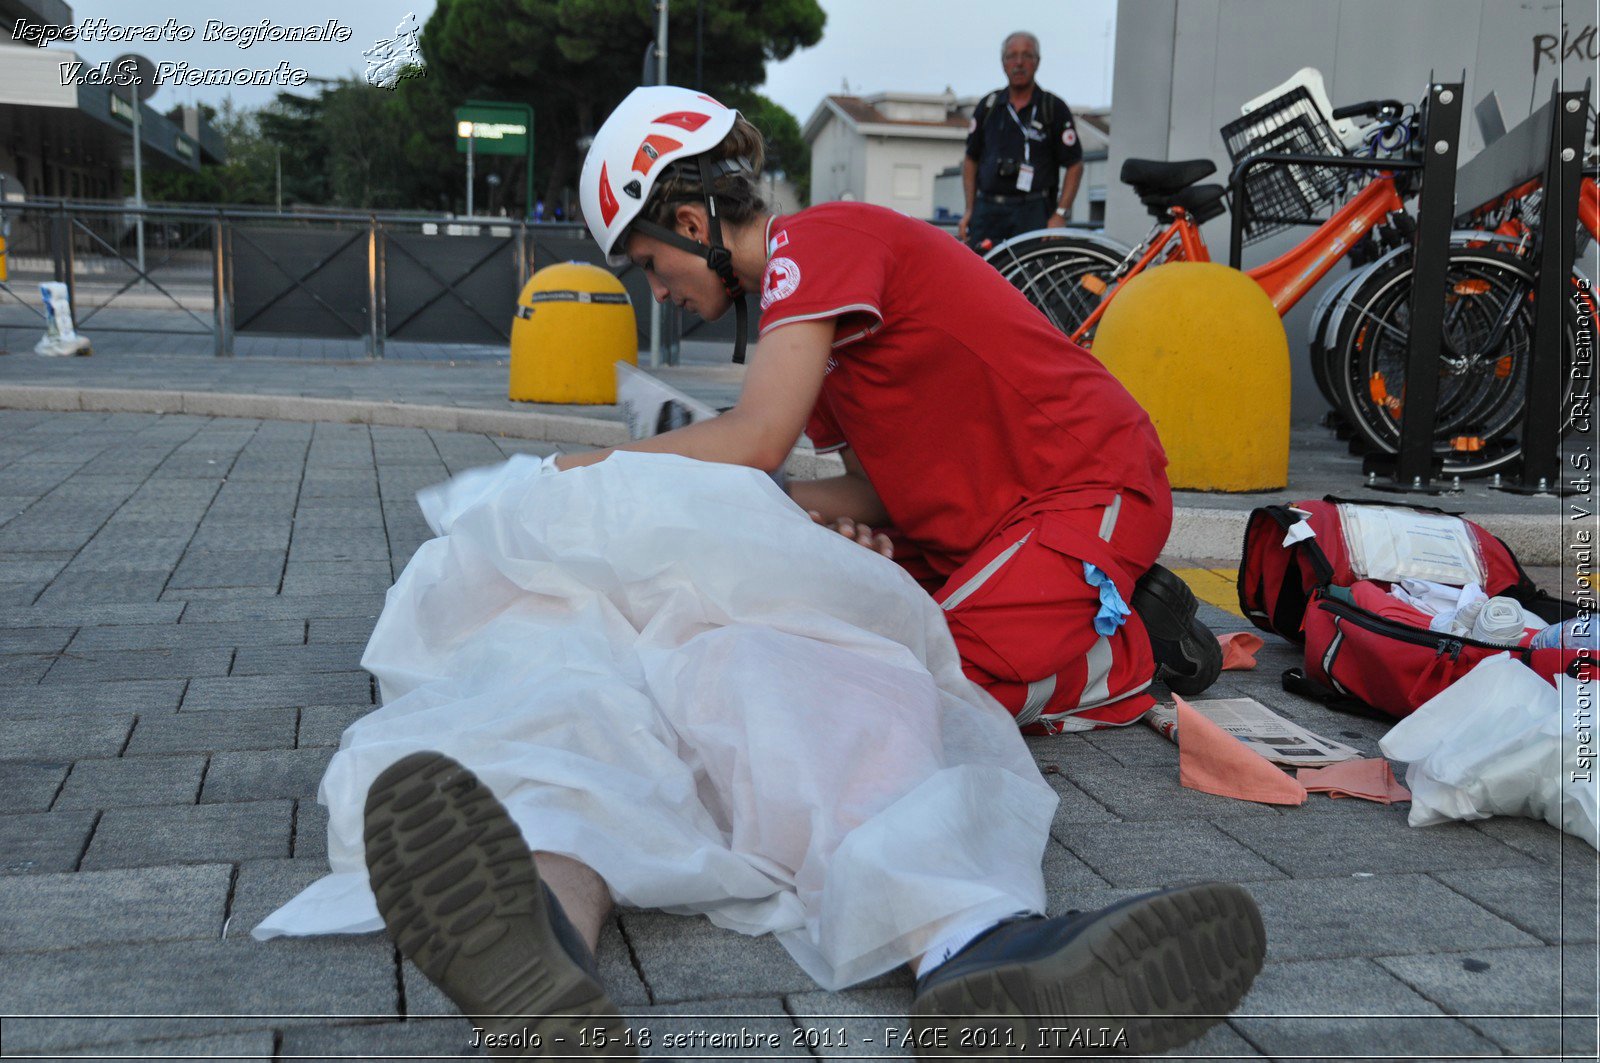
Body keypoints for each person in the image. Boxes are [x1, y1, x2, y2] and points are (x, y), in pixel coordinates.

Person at [362, 86, 1254, 1059]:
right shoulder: (815, 324)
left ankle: (1123, 649)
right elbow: (860, 485)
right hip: (974, 528)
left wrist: (604, 470)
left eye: (648, 264)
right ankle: (565, 898)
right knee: (782, 642)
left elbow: (755, 440)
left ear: (692, 222)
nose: (655, 293)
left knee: (918, 684)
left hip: (1082, 492)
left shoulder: (820, 244)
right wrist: (775, 533)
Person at [958, 31, 1086, 250]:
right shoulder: (988, 106)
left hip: (1034, 212)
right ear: (1003, 63)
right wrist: (970, 209)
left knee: (1028, 281)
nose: (1019, 63)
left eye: (1026, 56)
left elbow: (1075, 164)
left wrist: (1060, 214)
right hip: (988, 211)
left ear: (1037, 62)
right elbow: (970, 160)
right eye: (1012, 56)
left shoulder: (1052, 108)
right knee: (981, 277)